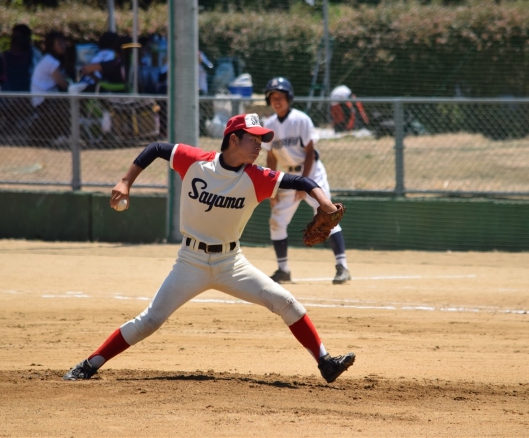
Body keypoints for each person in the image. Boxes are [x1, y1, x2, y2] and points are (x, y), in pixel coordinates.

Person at [62, 113, 356, 383]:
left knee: (287, 303)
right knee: (150, 320)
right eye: (253, 139)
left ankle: (325, 362)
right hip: (190, 261)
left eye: (261, 140)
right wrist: (126, 181)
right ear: (233, 139)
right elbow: (156, 148)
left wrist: (325, 204)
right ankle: (89, 364)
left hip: (232, 263)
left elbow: (302, 181)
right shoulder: (195, 162)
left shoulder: (257, 177)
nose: (259, 145)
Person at [262, 77, 351, 285]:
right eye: (273, 97)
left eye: (281, 96)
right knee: (276, 222)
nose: (277, 101)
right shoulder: (269, 124)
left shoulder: (301, 119)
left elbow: (310, 152)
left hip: (312, 173)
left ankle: (342, 267)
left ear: (289, 98)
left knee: (328, 215)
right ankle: (283, 270)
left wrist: (305, 182)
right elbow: (271, 157)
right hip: (287, 177)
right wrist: (270, 188)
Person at [30, 31, 70, 146]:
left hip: (49, 97)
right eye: (59, 43)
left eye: (64, 43)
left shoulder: (50, 60)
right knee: (68, 103)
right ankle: (60, 136)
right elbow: (63, 84)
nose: (63, 46)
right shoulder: (50, 61)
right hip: (43, 100)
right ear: (52, 45)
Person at [2, 24, 41, 92]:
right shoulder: (5, 56)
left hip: (28, 90)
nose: (15, 40)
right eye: (13, 37)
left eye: (18, 36)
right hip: (9, 91)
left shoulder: (35, 54)